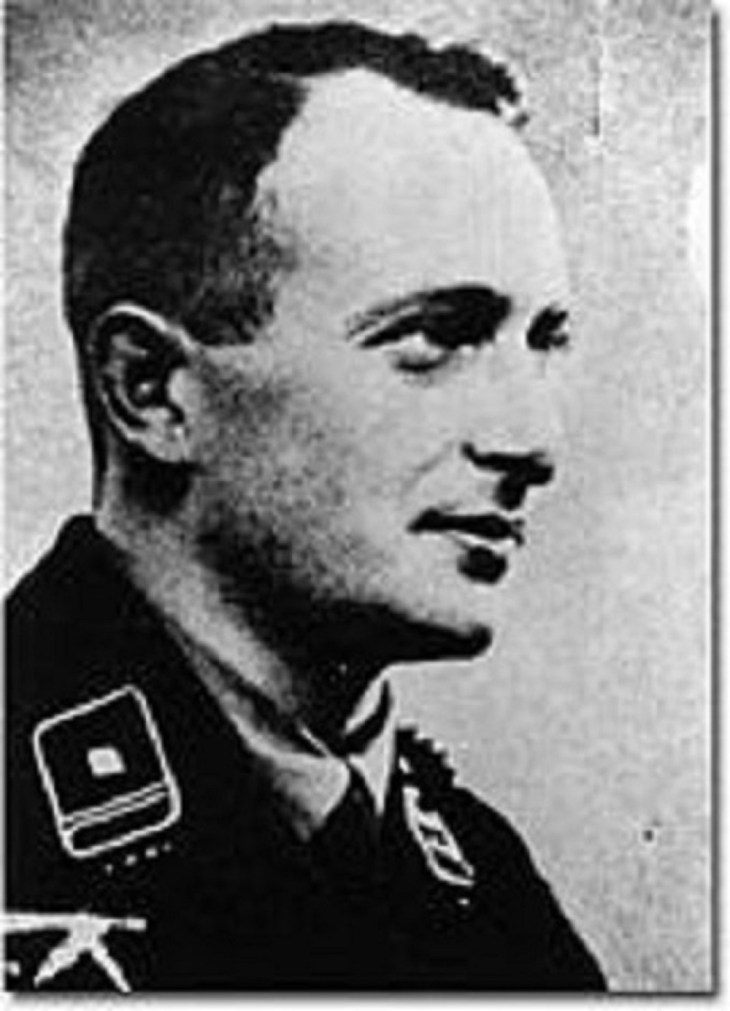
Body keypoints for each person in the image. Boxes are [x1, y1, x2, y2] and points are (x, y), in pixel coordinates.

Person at [5, 20, 606, 992]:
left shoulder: (486, 884)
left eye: (543, 341)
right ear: (152, 390)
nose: (532, 443)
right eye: (434, 337)